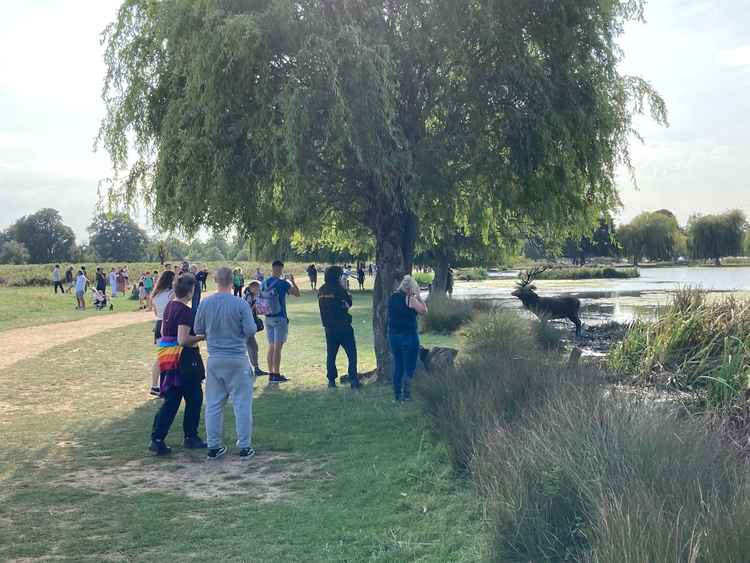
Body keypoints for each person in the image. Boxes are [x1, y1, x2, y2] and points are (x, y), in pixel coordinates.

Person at [194, 267, 257, 461]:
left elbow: (197, 329)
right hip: (237, 357)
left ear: (215, 280)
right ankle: (244, 446)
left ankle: (214, 446)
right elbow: (250, 330)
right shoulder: (240, 304)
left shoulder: (206, 303)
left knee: (213, 404)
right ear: (233, 281)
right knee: (242, 404)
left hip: (215, 358)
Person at [149, 273, 207, 455]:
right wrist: (203, 336)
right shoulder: (185, 310)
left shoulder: (170, 306)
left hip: (168, 358)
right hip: (183, 359)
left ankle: (157, 438)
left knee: (172, 400)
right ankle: (190, 436)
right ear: (190, 292)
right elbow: (183, 339)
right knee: (194, 398)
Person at [318, 266, 361, 389]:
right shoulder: (339, 289)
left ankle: (331, 380)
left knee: (331, 355)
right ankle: (353, 380)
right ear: (337, 276)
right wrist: (347, 291)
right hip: (343, 326)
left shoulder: (321, 290)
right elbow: (348, 303)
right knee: (351, 354)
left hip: (329, 327)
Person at [388, 275, 428, 402]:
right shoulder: (410, 299)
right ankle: (407, 395)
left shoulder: (392, 297)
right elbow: (424, 311)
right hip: (408, 336)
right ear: (411, 288)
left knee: (398, 365)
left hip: (394, 336)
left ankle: (397, 395)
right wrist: (419, 297)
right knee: (409, 366)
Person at [260, 260, 300, 383]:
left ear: (272, 268)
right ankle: (276, 374)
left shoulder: (264, 282)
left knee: (271, 346)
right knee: (278, 347)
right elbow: (297, 293)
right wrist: (292, 281)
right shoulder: (283, 283)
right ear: (281, 269)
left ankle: (271, 373)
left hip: (268, 317)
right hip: (280, 317)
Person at [150, 270, 176, 397]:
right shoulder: (171, 293)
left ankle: (155, 385)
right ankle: (165, 385)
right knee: (169, 357)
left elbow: (155, 313)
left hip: (158, 324)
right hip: (167, 325)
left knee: (161, 357)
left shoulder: (155, 295)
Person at [243, 281, 267, 377]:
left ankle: (255, 368)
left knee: (252, 347)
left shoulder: (250, 295)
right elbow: (246, 310)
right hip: (246, 325)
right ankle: (253, 369)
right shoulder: (249, 296)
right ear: (252, 287)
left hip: (248, 324)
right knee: (252, 347)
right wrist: (255, 306)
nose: (258, 290)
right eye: (257, 288)